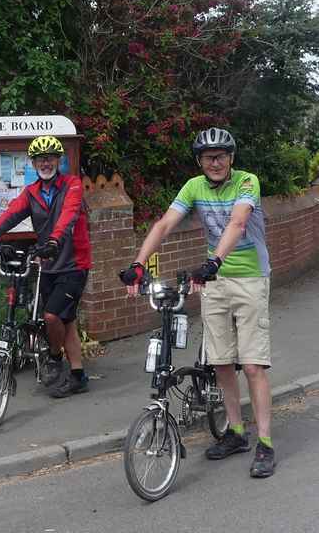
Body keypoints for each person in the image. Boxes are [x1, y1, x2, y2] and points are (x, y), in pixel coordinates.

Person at [119, 127, 275, 478]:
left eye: (221, 156)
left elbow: (237, 222)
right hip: (214, 282)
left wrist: (215, 261)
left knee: (252, 365)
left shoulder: (247, 182)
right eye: (208, 157)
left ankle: (265, 442)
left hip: (250, 278)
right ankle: (236, 432)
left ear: (231, 158)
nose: (215, 162)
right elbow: (164, 225)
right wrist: (138, 263)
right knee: (220, 363)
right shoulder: (194, 187)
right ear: (200, 161)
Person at [0, 135, 92, 398]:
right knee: (67, 320)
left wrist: (53, 240)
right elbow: (9, 215)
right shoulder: (32, 193)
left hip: (74, 264)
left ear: (59, 160)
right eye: (40, 158)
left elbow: (68, 215)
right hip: (49, 265)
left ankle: (53, 357)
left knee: (51, 316)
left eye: (50, 157)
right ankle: (78, 376)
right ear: (33, 162)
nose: (45, 162)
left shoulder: (72, 185)